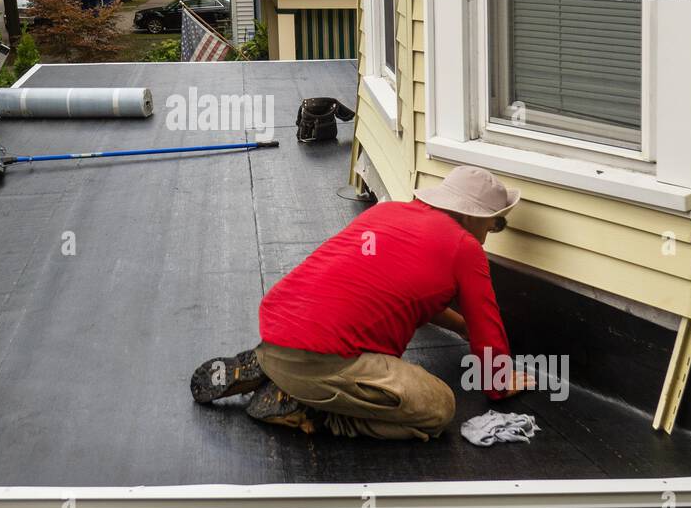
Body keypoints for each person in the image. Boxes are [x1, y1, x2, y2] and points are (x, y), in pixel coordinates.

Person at [190, 165, 534, 440]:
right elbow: (487, 325)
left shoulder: (387, 214)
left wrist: (462, 327)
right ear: (472, 216)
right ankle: (315, 411)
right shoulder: (464, 247)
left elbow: (400, 293)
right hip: (324, 359)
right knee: (437, 408)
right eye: (493, 225)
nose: (489, 235)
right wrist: (500, 383)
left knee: (307, 350)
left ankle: (270, 367)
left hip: (279, 332)